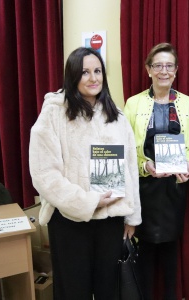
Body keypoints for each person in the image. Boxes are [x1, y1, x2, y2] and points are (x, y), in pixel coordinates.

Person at [29, 47, 141, 300]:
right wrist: (87, 202)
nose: (93, 78)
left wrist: (132, 216)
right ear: (72, 76)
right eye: (85, 72)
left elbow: (130, 168)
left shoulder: (117, 116)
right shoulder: (53, 113)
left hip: (110, 220)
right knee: (73, 290)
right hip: (70, 220)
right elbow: (44, 174)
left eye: (98, 71)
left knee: (108, 290)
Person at [123, 42, 189, 299]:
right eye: (158, 65)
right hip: (144, 187)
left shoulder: (188, 104)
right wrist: (145, 165)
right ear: (148, 70)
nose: (164, 71)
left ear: (176, 70)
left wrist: (188, 163)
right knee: (144, 249)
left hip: (174, 188)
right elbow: (125, 148)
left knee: (170, 248)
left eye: (169, 66)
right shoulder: (133, 104)